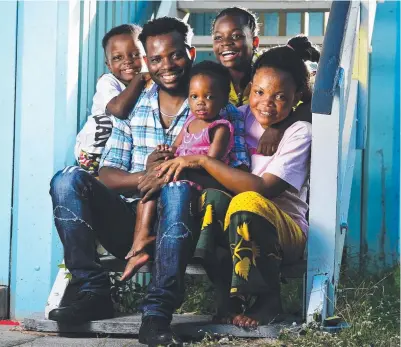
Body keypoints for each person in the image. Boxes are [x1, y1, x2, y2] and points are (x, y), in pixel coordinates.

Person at [49, 16, 248, 347]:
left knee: (177, 186)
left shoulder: (219, 109)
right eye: (156, 59)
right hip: (130, 224)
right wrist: (146, 176)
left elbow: (236, 178)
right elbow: (107, 174)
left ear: (190, 53)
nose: (166, 65)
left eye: (175, 55)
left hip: (186, 226)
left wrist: (176, 172)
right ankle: (92, 291)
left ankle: (156, 314)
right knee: (67, 180)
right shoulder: (135, 105)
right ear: (147, 62)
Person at [156, 36, 315, 328]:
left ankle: (269, 301)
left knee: (245, 201)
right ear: (249, 88)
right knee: (214, 201)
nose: (266, 103)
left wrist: (204, 161)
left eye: (280, 97)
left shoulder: (299, 131)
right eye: (260, 92)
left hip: (285, 230)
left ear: (297, 97)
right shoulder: (239, 116)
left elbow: (264, 188)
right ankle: (228, 299)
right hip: (235, 222)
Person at [120, 60, 237, 282]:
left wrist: (181, 163)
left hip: (199, 181)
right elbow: (176, 147)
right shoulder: (190, 121)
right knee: (148, 192)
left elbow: (210, 162)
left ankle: (148, 244)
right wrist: (165, 151)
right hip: (178, 174)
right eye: (194, 97)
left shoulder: (220, 128)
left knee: (164, 186)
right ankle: (141, 239)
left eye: (209, 97)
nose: (200, 103)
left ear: (223, 100)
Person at [211, 7, 318, 156]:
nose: (226, 43)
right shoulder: (213, 79)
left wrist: (279, 128)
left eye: (236, 36)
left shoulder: (270, 70)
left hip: (272, 156)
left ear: (254, 41)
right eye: (218, 37)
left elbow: (313, 104)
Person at [75, 24, 151, 175]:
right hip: (92, 153)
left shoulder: (150, 86)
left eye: (135, 54)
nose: (127, 61)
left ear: (146, 57)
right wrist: (140, 77)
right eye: (118, 58)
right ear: (108, 65)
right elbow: (119, 110)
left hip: (123, 154)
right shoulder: (107, 82)